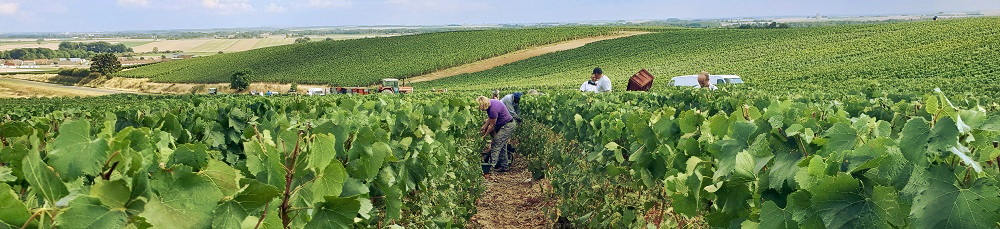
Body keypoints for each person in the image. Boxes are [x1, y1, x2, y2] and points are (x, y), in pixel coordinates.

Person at [477, 96, 516, 176]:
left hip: (507, 126)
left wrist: (484, 136)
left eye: (481, 107)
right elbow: (490, 119)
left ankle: (491, 167)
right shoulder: (491, 103)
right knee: (502, 146)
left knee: (496, 143)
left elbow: (491, 126)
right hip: (505, 125)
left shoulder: (492, 109)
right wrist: (484, 127)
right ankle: (504, 166)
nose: (481, 109)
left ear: (483, 105)